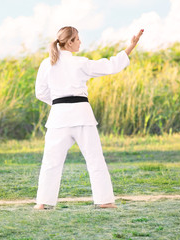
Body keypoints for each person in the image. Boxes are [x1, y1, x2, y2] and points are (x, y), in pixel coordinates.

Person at [34, 26, 144, 210]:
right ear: (69, 42)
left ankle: (43, 203)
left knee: (50, 162)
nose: (80, 42)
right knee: (95, 159)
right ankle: (105, 201)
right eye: (77, 39)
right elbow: (110, 66)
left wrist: (60, 105)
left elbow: (41, 93)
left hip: (58, 117)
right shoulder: (80, 63)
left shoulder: (47, 63)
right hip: (81, 115)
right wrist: (130, 47)